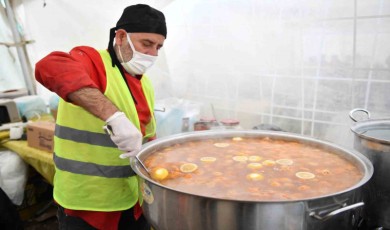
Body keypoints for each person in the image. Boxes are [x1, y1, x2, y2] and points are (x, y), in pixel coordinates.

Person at [35, 4, 167, 230]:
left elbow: (148, 139)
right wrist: (114, 116)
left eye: (158, 47)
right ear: (121, 36)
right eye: (146, 44)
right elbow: (48, 66)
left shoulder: (144, 83)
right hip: (88, 204)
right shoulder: (93, 61)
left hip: (132, 200)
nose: (153, 54)